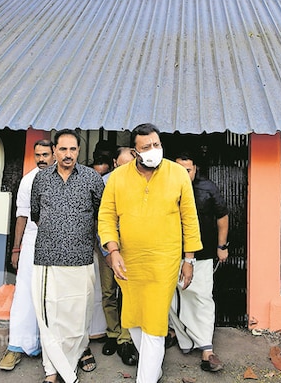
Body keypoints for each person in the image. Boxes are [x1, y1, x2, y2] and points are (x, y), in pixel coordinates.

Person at [98, 123, 202, 383]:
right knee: (133, 320)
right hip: (128, 262)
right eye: (146, 147)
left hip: (163, 262)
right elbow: (106, 216)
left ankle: (145, 379)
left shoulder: (177, 174)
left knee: (154, 324)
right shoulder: (118, 177)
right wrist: (113, 251)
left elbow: (190, 219)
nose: (154, 150)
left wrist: (188, 260)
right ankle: (152, 369)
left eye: (157, 145)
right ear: (135, 152)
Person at [31, 129, 107, 383]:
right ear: (54, 151)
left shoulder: (91, 179)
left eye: (73, 149)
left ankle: (73, 358)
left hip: (81, 258)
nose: (68, 154)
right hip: (48, 258)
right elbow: (36, 214)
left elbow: (101, 214)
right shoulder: (41, 179)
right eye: (62, 149)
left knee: (78, 315)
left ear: (78, 151)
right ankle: (53, 371)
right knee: (49, 315)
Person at [168, 154, 229, 372]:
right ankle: (180, 335)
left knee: (202, 297)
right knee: (173, 298)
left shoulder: (207, 188)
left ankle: (206, 349)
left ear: (196, 169)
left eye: (188, 170)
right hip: (171, 253)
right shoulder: (164, 187)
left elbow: (222, 217)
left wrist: (222, 246)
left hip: (202, 255)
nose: (184, 174)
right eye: (179, 169)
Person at [0, 139, 55, 371]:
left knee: (56, 297)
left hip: (62, 245)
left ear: (55, 155)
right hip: (32, 242)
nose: (41, 159)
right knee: (24, 293)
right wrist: (16, 248)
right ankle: (17, 346)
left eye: (45, 154)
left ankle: (56, 350)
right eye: (38, 155)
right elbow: (21, 216)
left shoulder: (69, 178)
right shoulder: (28, 180)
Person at [97, 146, 137, 363]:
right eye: (121, 165)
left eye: (130, 165)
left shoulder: (140, 183)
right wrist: (105, 251)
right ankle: (112, 334)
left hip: (131, 250)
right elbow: (98, 219)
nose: (126, 169)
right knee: (108, 292)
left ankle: (126, 338)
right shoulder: (104, 183)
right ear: (114, 163)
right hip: (108, 248)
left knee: (129, 295)